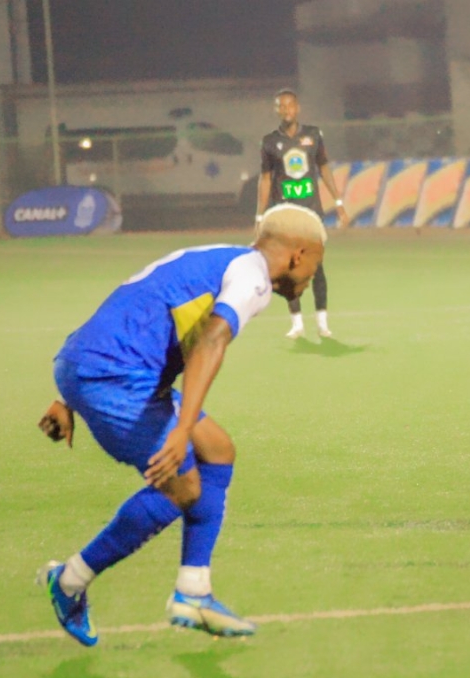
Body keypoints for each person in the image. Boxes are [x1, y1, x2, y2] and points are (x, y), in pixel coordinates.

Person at [37, 204, 327, 645]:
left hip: (100, 365)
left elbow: (136, 308)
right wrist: (179, 427)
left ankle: (194, 591)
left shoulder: (221, 258)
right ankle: (70, 580)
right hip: (113, 375)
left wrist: (67, 395)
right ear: (297, 255)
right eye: (316, 265)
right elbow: (211, 340)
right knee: (183, 487)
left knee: (217, 450)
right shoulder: (253, 279)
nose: (312, 277)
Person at [256, 88, 349, 339]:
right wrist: (259, 216)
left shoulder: (313, 135)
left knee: (316, 266)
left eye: (290, 106)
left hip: (311, 212)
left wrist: (338, 202)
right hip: (285, 212)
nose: (287, 110)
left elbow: (324, 168)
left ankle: (322, 323)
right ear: (277, 110)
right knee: (289, 266)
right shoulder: (268, 142)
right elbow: (265, 180)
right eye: (281, 107)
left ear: (298, 108)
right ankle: (297, 323)